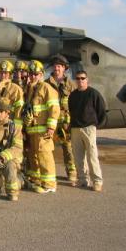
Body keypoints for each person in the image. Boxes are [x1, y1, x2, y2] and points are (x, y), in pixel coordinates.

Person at [23, 60, 60, 194]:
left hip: (43, 130)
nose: (33, 76)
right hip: (33, 130)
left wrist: (51, 127)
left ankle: (50, 184)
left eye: (36, 74)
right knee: (33, 156)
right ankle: (36, 180)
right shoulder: (31, 89)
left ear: (42, 75)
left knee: (45, 156)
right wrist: (27, 120)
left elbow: (54, 108)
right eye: (31, 74)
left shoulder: (46, 88)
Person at [68, 71, 106, 192]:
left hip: (89, 128)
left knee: (92, 155)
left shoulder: (93, 93)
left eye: (82, 78)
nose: (80, 80)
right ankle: (83, 180)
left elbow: (101, 110)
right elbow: (71, 110)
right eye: (78, 78)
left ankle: (97, 181)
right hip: (75, 129)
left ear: (87, 80)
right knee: (78, 156)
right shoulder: (72, 95)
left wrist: (95, 125)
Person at [46, 54, 77, 184]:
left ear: (64, 68)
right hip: (51, 122)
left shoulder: (71, 85)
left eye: (59, 66)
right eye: (55, 66)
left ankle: (72, 172)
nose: (57, 68)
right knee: (47, 148)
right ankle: (49, 172)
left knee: (68, 149)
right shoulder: (47, 83)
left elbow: (75, 104)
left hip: (65, 123)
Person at [0, 60, 24, 128]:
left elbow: (19, 109)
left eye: (6, 73)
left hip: (10, 125)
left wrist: (17, 127)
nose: (3, 75)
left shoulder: (16, 89)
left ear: (10, 74)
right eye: (1, 73)